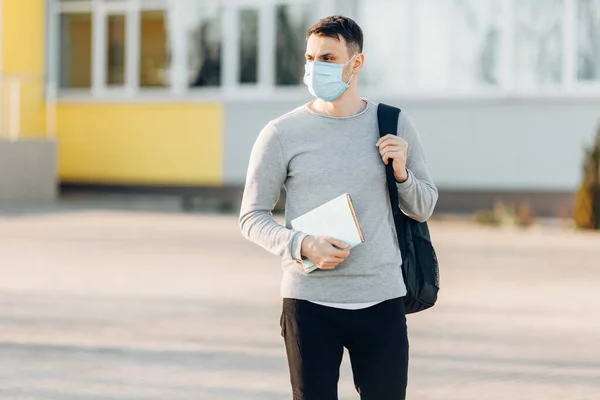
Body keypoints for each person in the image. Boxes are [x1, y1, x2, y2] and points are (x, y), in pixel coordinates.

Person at [238, 15, 438, 400]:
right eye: (310, 59)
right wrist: (301, 244)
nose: (315, 68)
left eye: (328, 58)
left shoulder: (392, 123)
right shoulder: (281, 133)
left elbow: (424, 206)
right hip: (308, 303)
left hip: (381, 300)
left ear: (356, 63)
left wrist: (401, 174)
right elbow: (251, 216)